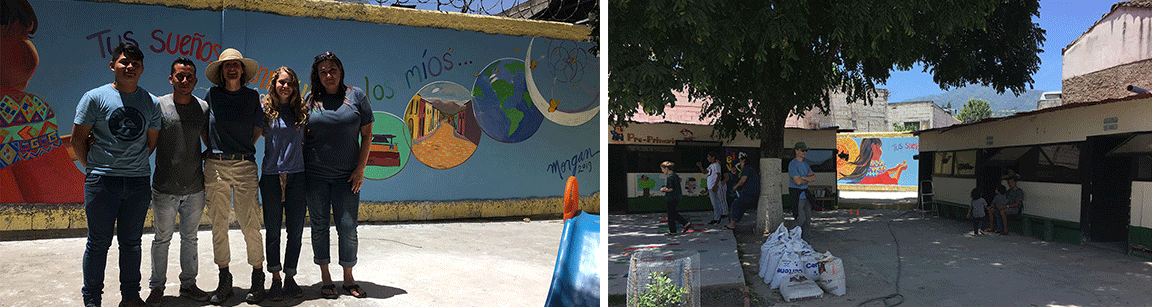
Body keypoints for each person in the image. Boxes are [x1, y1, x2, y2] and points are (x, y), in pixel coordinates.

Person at [72, 42, 162, 307]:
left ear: (142, 69)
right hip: (101, 182)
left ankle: (131, 297)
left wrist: (130, 165)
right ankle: (92, 300)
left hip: (137, 183)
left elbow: (151, 142)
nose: (129, 67)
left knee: (132, 244)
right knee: (98, 244)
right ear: (113, 66)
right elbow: (78, 140)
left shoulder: (151, 102)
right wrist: (96, 169)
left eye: (135, 63)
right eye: (124, 62)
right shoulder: (95, 98)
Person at [1, 0, 85, 204]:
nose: (27, 50)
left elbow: (37, 154)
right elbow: (55, 183)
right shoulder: (19, 106)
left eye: (26, 37)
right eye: (16, 37)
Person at [304, 51, 373, 299]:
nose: (328, 75)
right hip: (315, 177)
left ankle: (348, 277)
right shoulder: (310, 99)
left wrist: (360, 170)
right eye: (323, 72)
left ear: (340, 71)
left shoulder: (356, 97)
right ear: (317, 76)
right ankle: (325, 277)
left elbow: (367, 136)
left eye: (332, 69)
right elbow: (301, 135)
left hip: (347, 178)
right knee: (320, 226)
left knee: (348, 227)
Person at [145, 57, 211, 305]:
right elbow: (149, 144)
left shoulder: (202, 108)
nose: (184, 81)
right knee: (162, 239)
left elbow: (209, 141)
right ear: (171, 78)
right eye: (179, 76)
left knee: (190, 238)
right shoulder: (158, 106)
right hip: (163, 189)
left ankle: (189, 284)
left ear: (195, 80)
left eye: (189, 77)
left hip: (195, 189)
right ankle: (157, 288)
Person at [202, 48, 266, 304]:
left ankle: (258, 277)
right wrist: (219, 151)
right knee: (218, 223)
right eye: (226, 65)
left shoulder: (252, 97)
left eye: (236, 65)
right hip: (215, 166)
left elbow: (258, 129)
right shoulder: (212, 95)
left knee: (250, 223)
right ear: (221, 71)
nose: (231, 69)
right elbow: (205, 130)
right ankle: (224, 278)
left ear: (242, 70)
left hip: (244, 166)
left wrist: (240, 151)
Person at [259, 67, 308, 301]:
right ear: (274, 83)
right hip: (271, 176)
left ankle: (290, 277)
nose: (286, 86)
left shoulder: (301, 111)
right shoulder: (265, 109)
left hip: (298, 176)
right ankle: (275, 278)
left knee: (296, 231)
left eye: (290, 83)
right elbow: (253, 134)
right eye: (282, 82)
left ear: (295, 86)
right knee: (272, 232)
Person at [725, 152, 759, 231]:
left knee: (735, 205)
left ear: (743, 160)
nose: (739, 163)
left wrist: (736, 186)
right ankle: (735, 222)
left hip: (750, 193)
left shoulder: (746, 168)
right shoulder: (750, 168)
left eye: (740, 161)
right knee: (742, 206)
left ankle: (732, 224)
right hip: (752, 192)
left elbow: (743, 180)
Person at [789, 142, 817, 234]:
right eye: (802, 150)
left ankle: (806, 243)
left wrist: (803, 178)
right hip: (797, 196)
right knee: (800, 219)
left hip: (806, 195)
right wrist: (807, 179)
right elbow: (797, 182)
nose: (804, 152)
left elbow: (813, 178)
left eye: (805, 150)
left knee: (807, 221)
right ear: (796, 151)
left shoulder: (806, 164)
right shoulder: (793, 164)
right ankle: (789, 234)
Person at [659, 161, 692, 235]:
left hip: (671, 197)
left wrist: (664, 189)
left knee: (671, 215)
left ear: (667, 168)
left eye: (662, 169)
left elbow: (671, 188)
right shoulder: (675, 176)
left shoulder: (670, 178)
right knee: (673, 213)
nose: (662, 171)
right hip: (677, 197)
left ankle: (674, 230)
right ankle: (685, 223)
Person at [697, 151, 728, 225]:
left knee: (716, 202)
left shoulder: (716, 165)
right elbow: (705, 172)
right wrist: (700, 166)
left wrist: (714, 186)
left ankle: (717, 217)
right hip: (711, 186)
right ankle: (717, 217)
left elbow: (718, 175)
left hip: (714, 186)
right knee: (714, 203)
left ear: (713, 157)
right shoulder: (711, 165)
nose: (707, 158)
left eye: (709, 156)